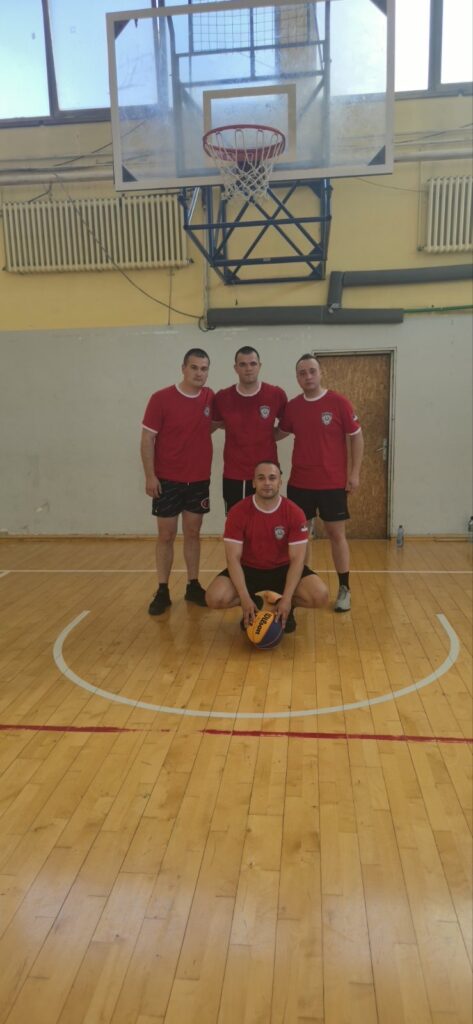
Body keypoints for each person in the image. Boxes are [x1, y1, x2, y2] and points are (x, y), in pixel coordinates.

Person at [278, 354, 364, 612]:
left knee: (337, 535)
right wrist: (249, 430)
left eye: (312, 371)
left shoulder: (338, 402)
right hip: (300, 483)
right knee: (300, 538)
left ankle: (344, 588)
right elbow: (278, 433)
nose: (308, 376)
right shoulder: (293, 407)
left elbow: (356, 436)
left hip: (332, 484)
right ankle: (302, 586)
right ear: (297, 377)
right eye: (302, 373)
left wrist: (354, 473)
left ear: (320, 372)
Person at [205, 461, 328, 632]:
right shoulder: (238, 512)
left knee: (320, 595)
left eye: (272, 478)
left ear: (280, 482)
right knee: (214, 598)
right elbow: (233, 559)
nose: (267, 483)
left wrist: (287, 599)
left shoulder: (294, 512)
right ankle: (254, 604)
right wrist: (244, 598)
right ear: (254, 482)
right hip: (249, 569)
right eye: (261, 478)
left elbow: (297, 560)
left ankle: (283, 607)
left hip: (283, 569)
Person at [140, 348, 213, 615]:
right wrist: (150, 476)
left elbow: (216, 423)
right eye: (194, 367)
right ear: (183, 368)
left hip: (199, 480)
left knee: (193, 533)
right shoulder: (161, 398)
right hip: (167, 481)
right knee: (166, 535)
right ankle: (162, 589)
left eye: (204, 368)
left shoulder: (210, 398)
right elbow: (147, 439)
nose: (199, 373)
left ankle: (193, 585)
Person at [212, 346, 287, 511]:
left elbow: (287, 426)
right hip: (234, 474)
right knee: (236, 521)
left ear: (260, 366)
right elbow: (214, 424)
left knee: (267, 519)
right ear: (235, 368)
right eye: (243, 364)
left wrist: (267, 436)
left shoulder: (276, 394)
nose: (248, 368)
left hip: (267, 474)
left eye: (253, 364)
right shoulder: (222, 397)